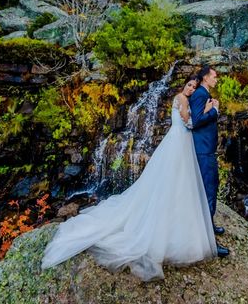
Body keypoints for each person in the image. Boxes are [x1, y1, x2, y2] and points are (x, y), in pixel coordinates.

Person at [41, 75, 218, 281]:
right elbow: (190, 123)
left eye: (193, 87)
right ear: (184, 85)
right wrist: (210, 110)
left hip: (177, 142)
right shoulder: (182, 98)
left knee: (174, 179)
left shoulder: (180, 97)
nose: (190, 89)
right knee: (174, 178)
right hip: (179, 141)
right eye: (189, 85)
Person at [189, 65, 230, 258]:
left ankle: (208, 225)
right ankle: (208, 243)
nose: (216, 79)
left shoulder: (203, 94)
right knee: (209, 191)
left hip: (206, 150)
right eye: (214, 76)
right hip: (203, 151)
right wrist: (215, 110)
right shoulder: (199, 95)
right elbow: (196, 121)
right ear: (205, 77)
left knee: (210, 189)